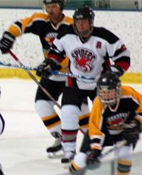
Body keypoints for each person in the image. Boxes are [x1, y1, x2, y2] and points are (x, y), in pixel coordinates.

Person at [36, 5, 131, 163]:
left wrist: (115, 70)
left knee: (103, 116)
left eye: (84, 22)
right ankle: (69, 151)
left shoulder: (104, 36)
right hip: (75, 82)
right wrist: (49, 64)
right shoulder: (66, 34)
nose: (80, 25)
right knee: (67, 112)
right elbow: (56, 53)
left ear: (91, 22)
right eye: (78, 22)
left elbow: (124, 56)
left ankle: (102, 146)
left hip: (101, 86)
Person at [0, 0, 90, 157]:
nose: (50, 10)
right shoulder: (41, 20)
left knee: (80, 111)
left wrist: (55, 64)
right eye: (48, 6)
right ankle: (62, 137)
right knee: (41, 104)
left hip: (71, 75)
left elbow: (79, 50)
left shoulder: (70, 25)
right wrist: (9, 35)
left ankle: (94, 142)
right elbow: (21, 24)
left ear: (61, 7)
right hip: (51, 74)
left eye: (54, 6)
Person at [55, 72, 142, 175]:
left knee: (125, 156)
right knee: (80, 160)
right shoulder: (98, 102)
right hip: (103, 133)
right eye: (102, 92)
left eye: (109, 92)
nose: (106, 95)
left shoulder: (130, 94)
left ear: (118, 89)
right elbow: (96, 128)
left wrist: (137, 125)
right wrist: (95, 151)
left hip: (124, 132)